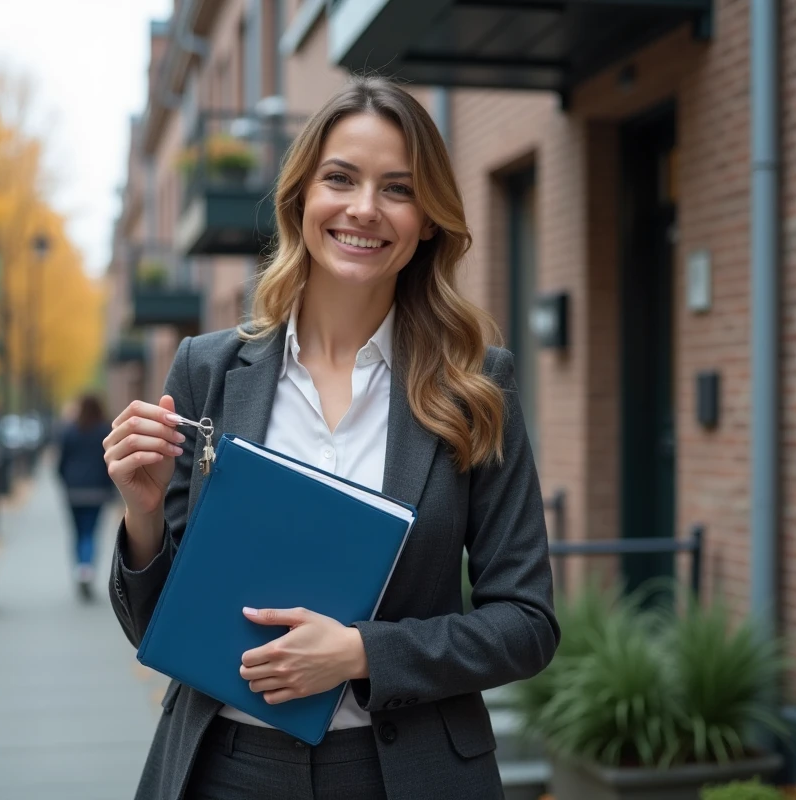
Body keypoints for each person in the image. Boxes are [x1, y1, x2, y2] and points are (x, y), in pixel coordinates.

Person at [104, 76, 559, 800]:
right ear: (301, 199)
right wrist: (143, 512)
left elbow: (527, 623)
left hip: (403, 776)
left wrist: (360, 653)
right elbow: (158, 627)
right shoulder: (209, 371)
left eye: (398, 190)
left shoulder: (477, 385)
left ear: (429, 221)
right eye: (340, 178)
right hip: (224, 768)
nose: (364, 209)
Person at [57, 394, 113, 598]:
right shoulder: (105, 430)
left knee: (78, 532)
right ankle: (87, 568)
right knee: (91, 531)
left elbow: (61, 461)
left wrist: (65, 481)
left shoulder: (71, 431)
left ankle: (81, 568)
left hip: (74, 489)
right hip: (97, 490)